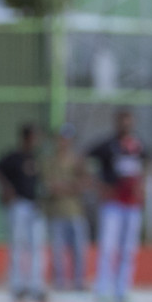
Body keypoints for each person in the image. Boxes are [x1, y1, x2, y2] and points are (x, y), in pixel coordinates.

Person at [88, 109, 152, 302]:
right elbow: (82, 161)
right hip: (112, 203)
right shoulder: (107, 145)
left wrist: (143, 186)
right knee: (108, 247)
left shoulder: (138, 145)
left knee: (128, 249)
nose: (125, 124)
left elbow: (151, 163)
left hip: (132, 204)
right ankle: (103, 291)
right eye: (122, 120)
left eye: (129, 120)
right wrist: (99, 187)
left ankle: (122, 291)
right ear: (116, 122)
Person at [0, 123, 47, 302]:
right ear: (25, 138)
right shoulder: (14, 157)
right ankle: (17, 286)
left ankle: (36, 286)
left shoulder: (38, 159)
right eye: (33, 137)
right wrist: (6, 188)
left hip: (35, 206)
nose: (35, 141)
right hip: (18, 205)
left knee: (36, 247)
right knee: (17, 245)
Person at [43, 124, 89, 291]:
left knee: (78, 250)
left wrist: (65, 187)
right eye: (62, 138)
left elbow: (84, 184)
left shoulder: (77, 160)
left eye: (67, 139)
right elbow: (50, 186)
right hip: (56, 212)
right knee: (57, 251)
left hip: (76, 211)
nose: (64, 142)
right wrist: (71, 187)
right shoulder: (50, 161)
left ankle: (79, 282)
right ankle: (60, 283)